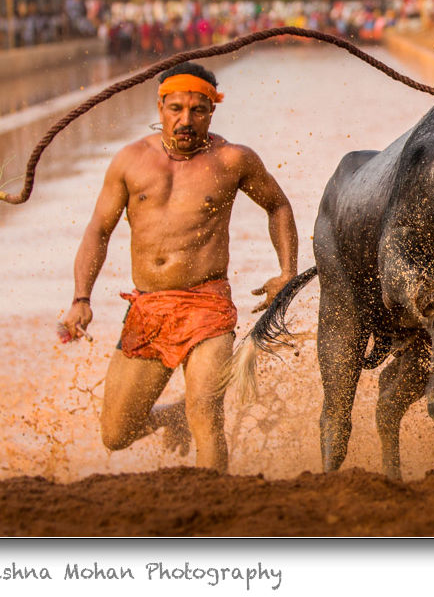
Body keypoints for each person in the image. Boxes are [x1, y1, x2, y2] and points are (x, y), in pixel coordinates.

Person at [59, 61, 299, 472]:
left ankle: (213, 515)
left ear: (212, 111)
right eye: (175, 109)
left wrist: (287, 271)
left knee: (205, 412)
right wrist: (81, 298)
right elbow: (98, 231)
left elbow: (277, 205)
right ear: (160, 107)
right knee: (116, 435)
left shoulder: (233, 159)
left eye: (197, 111)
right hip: (150, 310)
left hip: (208, 306)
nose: (185, 120)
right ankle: (173, 415)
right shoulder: (129, 161)